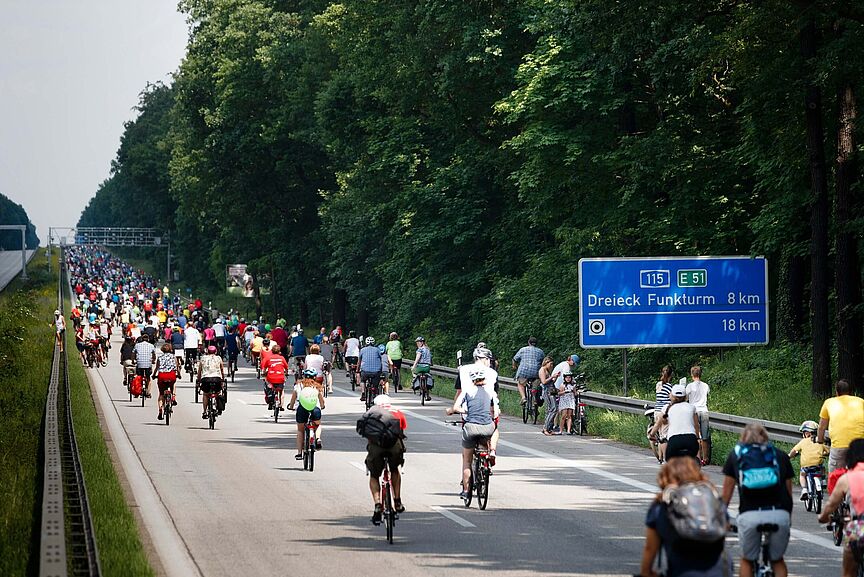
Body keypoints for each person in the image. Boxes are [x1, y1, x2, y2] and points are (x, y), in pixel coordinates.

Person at [722, 423, 793, 577]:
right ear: (766, 437)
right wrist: (788, 518)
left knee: (747, 559)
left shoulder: (736, 455)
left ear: (743, 438)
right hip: (779, 514)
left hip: (749, 515)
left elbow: (726, 495)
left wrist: (722, 519)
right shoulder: (780, 455)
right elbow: (788, 494)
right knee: (778, 560)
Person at [639, 457, 730, 577]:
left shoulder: (662, 506)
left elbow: (650, 549)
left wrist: (646, 572)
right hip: (721, 571)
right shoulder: (712, 500)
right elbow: (724, 528)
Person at [445, 367, 500, 501]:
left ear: (472, 380)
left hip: (470, 428)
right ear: (484, 379)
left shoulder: (467, 392)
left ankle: (465, 490)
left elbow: (456, 407)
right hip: (487, 427)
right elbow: (496, 412)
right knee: (495, 430)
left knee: (467, 460)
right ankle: (492, 451)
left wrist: (457, 411)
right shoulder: (491, 392)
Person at [819, 439, 864, 577]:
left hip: (859, 527)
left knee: (848, 570)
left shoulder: (847, 478)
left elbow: (831, 505)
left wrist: (823, 517)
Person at [361, 394, 407, 524]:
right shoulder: (398, 413)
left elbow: (365, 433)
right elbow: (402, 431)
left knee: (374, 475)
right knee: (394, 470)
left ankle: (377, 504)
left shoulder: (370, 413)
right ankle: (397, 501)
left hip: (376, 448)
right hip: (394, 447)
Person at [817, 379, 864, 472]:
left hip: (839, 445)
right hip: (860, 445)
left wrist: (820, 442)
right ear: (851, 392)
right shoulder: (861, 401)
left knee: (836, 477)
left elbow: (822, 427)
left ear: (837, 392)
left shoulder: (829, 402)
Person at [650, 384, 700, 460]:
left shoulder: (667, 408)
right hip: (691, 440)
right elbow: (696, 425)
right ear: (685, 396)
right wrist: (697, 438)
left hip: (674, 441)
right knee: (693, 458)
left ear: (671, 396)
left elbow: (657, 424)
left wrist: (651, 434)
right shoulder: (691, 407)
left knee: (669, 461)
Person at [287, 368, 326, 459]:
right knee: (317, 425)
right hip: (315, 409)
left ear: (304, 376)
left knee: (300, 430)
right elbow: (321, 401)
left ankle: (300, 453)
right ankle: (317, 438)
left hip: (302, 409)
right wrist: (322, 406)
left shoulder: (298, 386)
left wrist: (291, 406)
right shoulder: (317, 387)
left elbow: (293, 400)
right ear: (315, 377)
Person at [788, 420, 829, 501]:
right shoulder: (820, 441)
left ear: (807, 433)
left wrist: (789, 456)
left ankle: (804, 489)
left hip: (806, 467)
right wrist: (823, 453)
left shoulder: (803, 442)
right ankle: (823, 480)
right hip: (818, 465)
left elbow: (794, 451)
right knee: (822, 468)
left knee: (802, 474)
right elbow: (828, 451)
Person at [685, 365, 711, 465]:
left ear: (692, 374)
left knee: (696, 435)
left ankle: (697, 458)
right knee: (705, 437)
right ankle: (705, 459)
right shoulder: (705, 385)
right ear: (700, 374)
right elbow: (707, 395)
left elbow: (686, 398)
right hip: (704, 411)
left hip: (694, 411)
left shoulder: (689, 386)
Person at [512, 337, 544, 405]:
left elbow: (515, 359)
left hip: (524, 371)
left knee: (520, 383)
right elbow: (543, 362)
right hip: (535, 372)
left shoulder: (523, 349)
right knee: (536, 382)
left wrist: (514, 366)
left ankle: (523, 397)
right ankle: (534, 397)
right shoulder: (540, 351)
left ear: (528, 342)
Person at [653, 365, 675, 462]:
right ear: (671, 375)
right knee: (664, 436)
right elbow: (671, 399)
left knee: (660, 434)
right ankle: (666, 459)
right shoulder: (670, 387)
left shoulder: (658, 384)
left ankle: (660, 457)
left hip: (656, 410)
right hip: (664, 412)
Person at [197, 345, 225, 419]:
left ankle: (205, 411)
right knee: (217, 393)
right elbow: (222, 369)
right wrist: (222, 379)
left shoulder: (203, 358)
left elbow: (199, 371)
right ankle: (218, 407)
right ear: (215, 351)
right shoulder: (218, 358)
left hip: (206, 379)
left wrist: (198, 379)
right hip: (217, 379)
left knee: (206, 394)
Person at [152, 343, 178, 420]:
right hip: (171, 375)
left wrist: (154, 375)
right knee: (173, 384)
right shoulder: (173, 357)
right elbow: (176, 367)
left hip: (162, 376)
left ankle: (160, 409)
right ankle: (173, 396)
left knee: (161, 394)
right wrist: (178, 374)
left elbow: (157, 368)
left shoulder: (160, 357)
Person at [262, 344, 289, 410]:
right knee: (281, 391)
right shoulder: (282, 358)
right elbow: (286, 367)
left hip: (270, 378)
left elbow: (264, 368)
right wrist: (286, 373)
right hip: (280, 378)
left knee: (268, 386)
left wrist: (264, 373)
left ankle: (270, 401)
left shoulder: (268, 358)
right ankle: (281, 405)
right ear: (279, 351)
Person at [538, 356, 558, 436]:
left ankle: (549, 428)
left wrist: (555, 377)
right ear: (546, 362)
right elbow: (544, 381)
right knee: (553, 408)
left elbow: (551, 382)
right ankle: (545, 428)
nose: (551, 366)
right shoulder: (542, 370)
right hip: (547, 392)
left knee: (550, 409)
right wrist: (552, 377)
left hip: (551, 390)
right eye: (550, 364)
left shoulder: (547, 370)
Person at [359, 337, 385, 401]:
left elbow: (359, 361)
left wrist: (357, 370)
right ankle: (374, 392)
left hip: (365, 371)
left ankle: (363, 393)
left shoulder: (362, 350)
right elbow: (381, 359)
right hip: (376, 371)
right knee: (375, 384)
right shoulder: (377, 350)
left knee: (363, 380)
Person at [411, 336, 432, 402]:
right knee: (427, 376)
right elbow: (431, 359)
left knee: (413, 371)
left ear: (422, 342)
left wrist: (414, 366)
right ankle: (427, 395)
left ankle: (414, 380)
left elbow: (417, 358)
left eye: (418, 342)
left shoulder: (419, 350)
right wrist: (430, 364)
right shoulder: (428, 349)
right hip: (427, 367)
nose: (417, 344)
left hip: (420, 367)